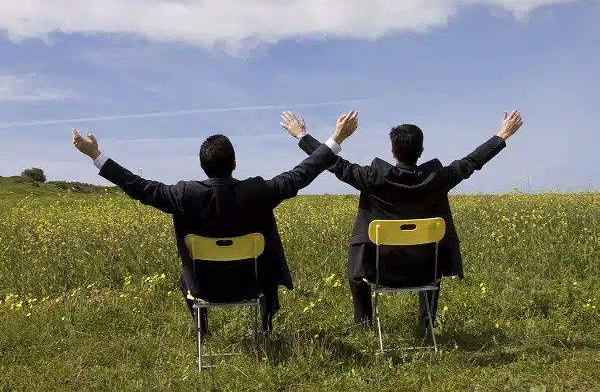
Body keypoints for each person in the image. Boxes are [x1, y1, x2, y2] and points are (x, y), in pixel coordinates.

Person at [71, 110, 359, 338]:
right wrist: (336, 138)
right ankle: (266, 327)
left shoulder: (183, 194)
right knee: (267, 268)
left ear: (202, 166)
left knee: (184, 276)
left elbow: (136, 185)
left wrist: (96, 155)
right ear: (234, 164)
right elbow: (302, 173)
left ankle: (203, 329)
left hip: (203, 288)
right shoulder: (258, 191)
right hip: (253, 284)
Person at [280, 109, 523, 331]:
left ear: (393, 152)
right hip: (426, 271)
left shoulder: (372, 177)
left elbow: (333, 163)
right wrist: (502, 135)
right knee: (431, 257)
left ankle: (363, 324)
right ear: (421, 151)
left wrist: (302, 136)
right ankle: (427, 323)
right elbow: (472, 162)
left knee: (357, 266)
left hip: (378, 271)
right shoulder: (438, 178)